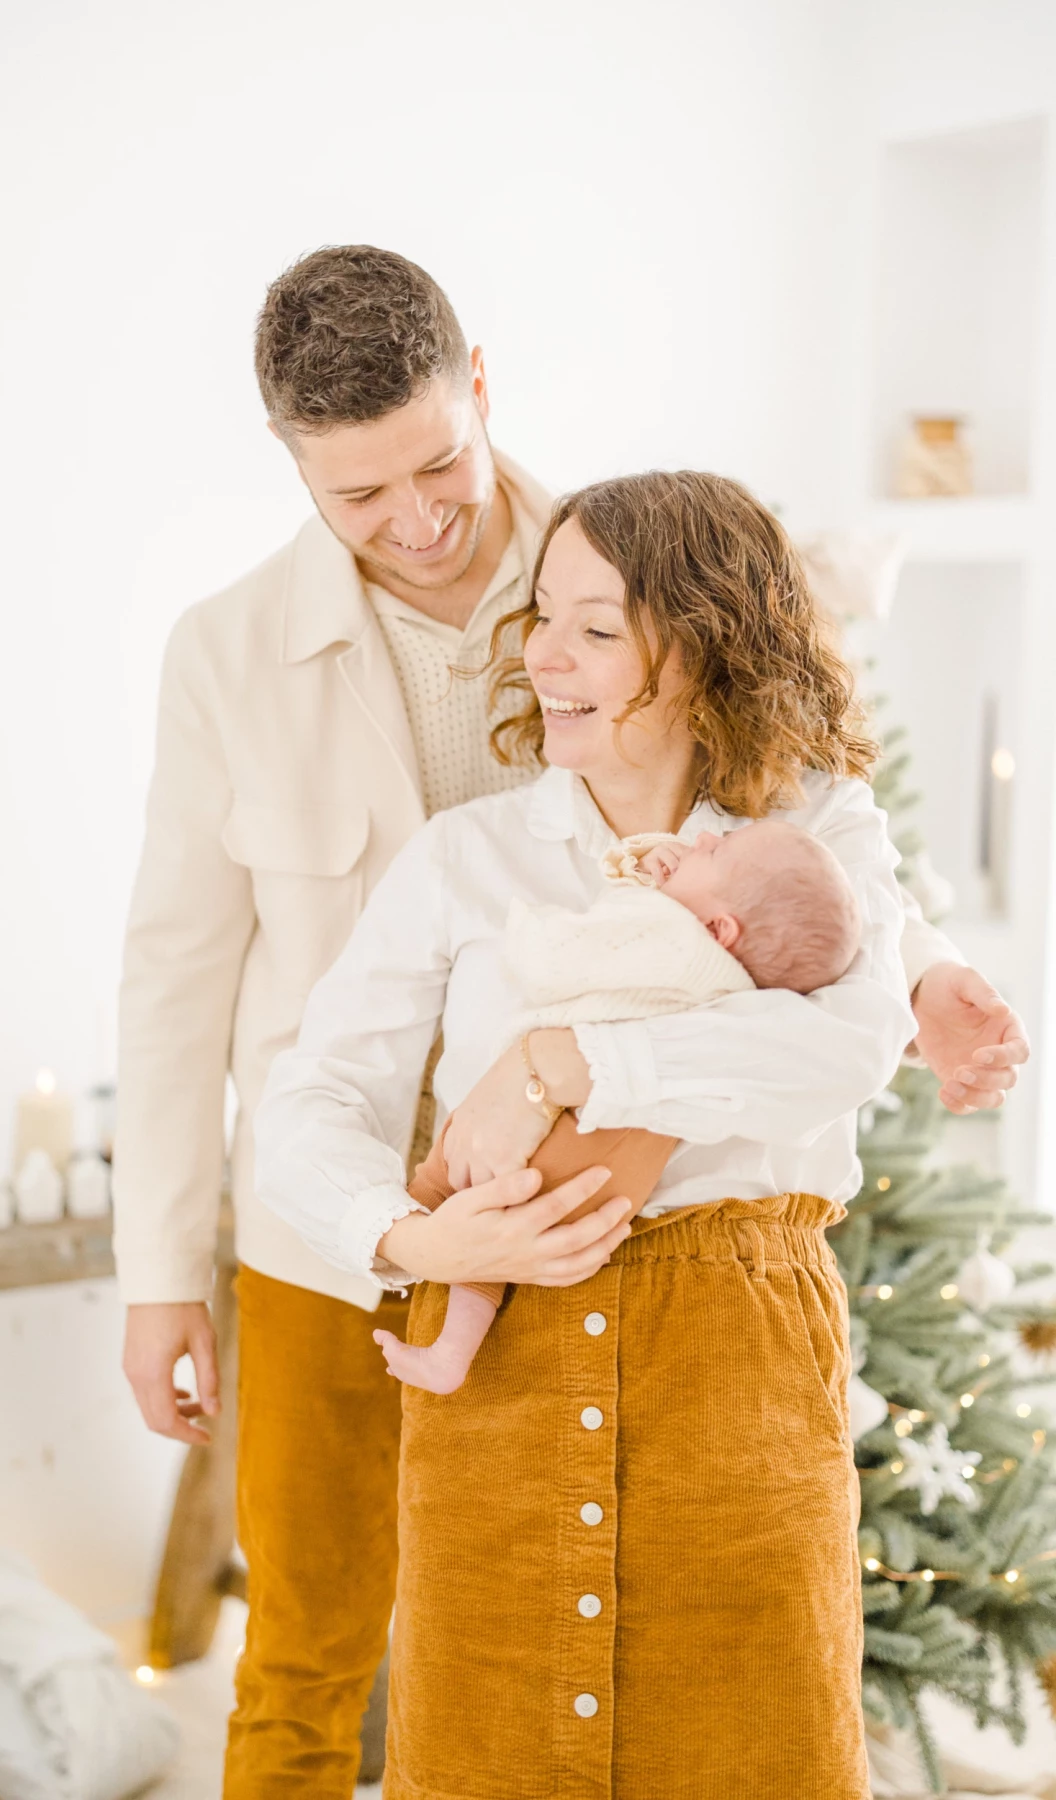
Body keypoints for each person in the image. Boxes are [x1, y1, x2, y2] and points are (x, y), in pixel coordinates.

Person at [111, 246, 1027, 1798]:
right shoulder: (233, 656)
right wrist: (178, 1266)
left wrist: (911, 973)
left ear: (480, 387)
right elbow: (176, 971)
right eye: (358, 498)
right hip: (351, 1230)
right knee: (313, 1642)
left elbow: (795, 855)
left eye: (437, 467)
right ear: (296, 473)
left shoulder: (625, 558)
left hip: (653, 1187)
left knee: (683, 1690)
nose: (414, 522)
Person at [252, 468, 926, 1793]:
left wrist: (572, 1060)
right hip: (494, 1389)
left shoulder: (820, 834)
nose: (543, 656)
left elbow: (851, 1043)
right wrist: (406, 1229)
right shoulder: (466, 861)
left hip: (735, 1387)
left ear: (702, 642)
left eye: (594, 628)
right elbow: (309, 1101)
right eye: (539, 619)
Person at [375, 813, 863, 1393]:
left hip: (589, 1134)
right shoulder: (726, 978)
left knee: (487, 1215)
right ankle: (429, 1294)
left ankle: (450, 1349)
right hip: (617, 1147)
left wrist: (572, 918)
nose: (702, 837)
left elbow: (585, 951)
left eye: (717, 851)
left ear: (719, 931)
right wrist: (665, 874)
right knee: (478, 1206)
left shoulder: (682, 957)